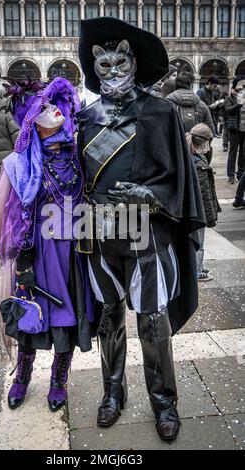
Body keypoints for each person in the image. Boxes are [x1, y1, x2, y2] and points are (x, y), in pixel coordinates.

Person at [77, 17, 205, 442]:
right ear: (94, 65)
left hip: (146, 232)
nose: (112, 72)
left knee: (153, 320)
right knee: (108, 319)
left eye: (119, 64)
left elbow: (177, 178)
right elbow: (72, 176)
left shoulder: (159, 111)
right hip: (97, 230)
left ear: (132, 63)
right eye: (104, 65)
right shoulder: (84, 117)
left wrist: (150, 196)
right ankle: (112, 394)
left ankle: (163, 402)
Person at [0, 77, 96, 412]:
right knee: (29, 318)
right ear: (32, 119)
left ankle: (58, 380)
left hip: (71, 253)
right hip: (35, 252)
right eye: (46, 109)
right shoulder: (19, 165)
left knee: (66, 315)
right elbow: (4, 221)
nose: (56, 113)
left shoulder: (78, 154)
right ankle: (22, 377)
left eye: (56, 106)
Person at [186, 124, 221, 281]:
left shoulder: (189, 157)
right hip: (198, 212)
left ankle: (196, 268)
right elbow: (204, 194)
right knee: (199, 244)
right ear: (205, 142)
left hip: (191, 211)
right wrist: (209, 215)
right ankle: (197, 272)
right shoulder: (199, 164)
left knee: (194, 242)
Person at [224, 77, 245, 184]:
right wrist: (239, 104)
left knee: (243, 153)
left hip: (244, 129)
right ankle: (231, 175)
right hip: (234, 129)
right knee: (233, 152)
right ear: (235, 86)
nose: (242, 87)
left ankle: (241, 174)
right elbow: (228, 110)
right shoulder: (229, 98)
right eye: (240, 85)